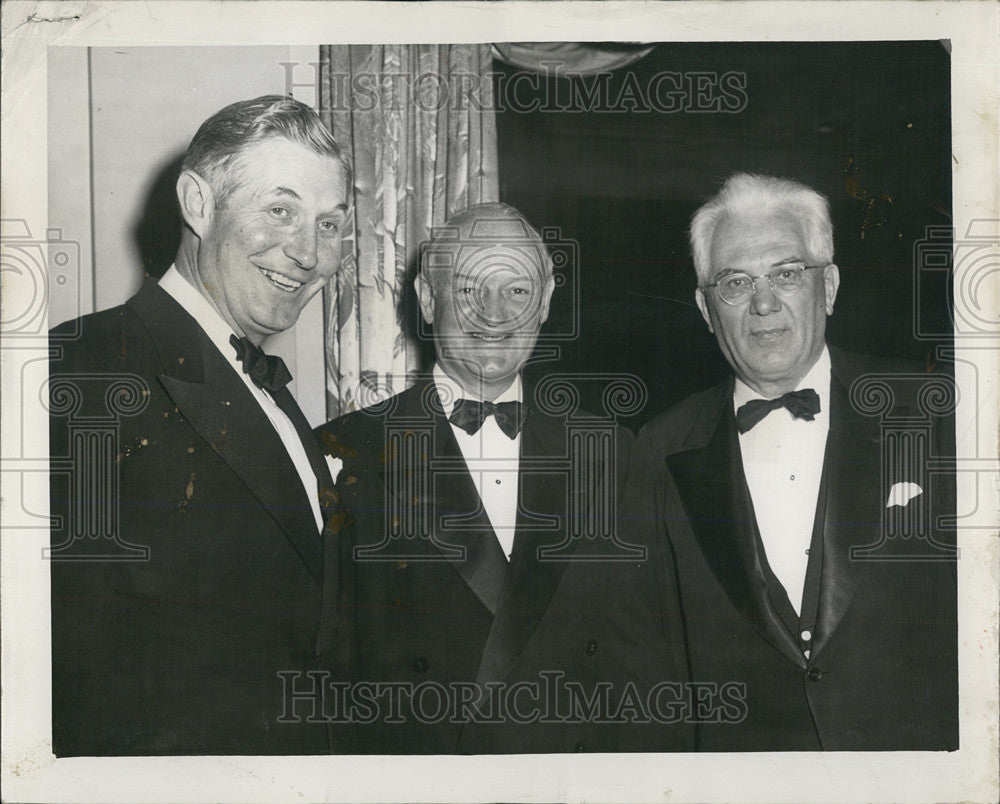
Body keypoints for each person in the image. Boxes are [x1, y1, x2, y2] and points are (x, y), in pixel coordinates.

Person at [316, 203, 692, 754]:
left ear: (544, 304)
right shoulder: (343, 452)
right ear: (427, 299)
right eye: (470, 289)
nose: (495, 314)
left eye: (517, 291)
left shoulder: (614, 453)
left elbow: (651, 669)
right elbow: (326, 679)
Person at [48, 95, 350, 755]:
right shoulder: (81, 369)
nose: (309, 255)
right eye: (281, 211)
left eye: (330, 225)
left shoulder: (278, 400)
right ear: (197, 203)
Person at [635, 173, 958, 751]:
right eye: (735, 282)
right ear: (707, 309)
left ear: (828, 286)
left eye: (786, 274)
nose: (763, 303)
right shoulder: (656, 453)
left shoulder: (940, 412)